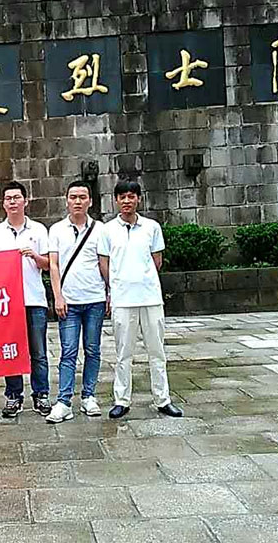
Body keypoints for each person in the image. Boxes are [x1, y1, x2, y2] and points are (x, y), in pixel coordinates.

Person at [98, 180, 183, 420]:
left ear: (138, 199)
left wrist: (142, 279)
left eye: (131, 196)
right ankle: (121, 400)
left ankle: (163, 399)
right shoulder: (107, 230)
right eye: (122, 197)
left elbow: (157, 260)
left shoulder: (151, 227)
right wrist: (115, 286)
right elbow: (104, 263)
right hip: (122, 299)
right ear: (116, 200)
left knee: (157, 351)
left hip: (150, 297)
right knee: (123, 353)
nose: (127, 201)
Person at [0, 181, 51, 418]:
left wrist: (34, 256)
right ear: (3, 204)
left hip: (34, 299)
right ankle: (13, 396)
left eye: (16, 197)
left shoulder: (39, 230)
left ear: (25, 201)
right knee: (11, 351)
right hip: (7, 303)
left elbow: (49, 264)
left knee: (38, 352)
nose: (12, 202)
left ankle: (41, 394)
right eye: (8, 198)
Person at [46, 181, 106, 423]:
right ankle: (64, 401)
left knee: (92, 349)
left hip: (95, 299)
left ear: (90, 201)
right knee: (68, 352)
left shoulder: (100, 229)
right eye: (73, 197)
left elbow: (104, 263)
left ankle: (89, 396)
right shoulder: (57, 230)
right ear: (67, 201)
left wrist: (110, 291)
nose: (78, 201)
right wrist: (58, 296)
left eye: (82, 197)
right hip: (69, 302)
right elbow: (53, 265)